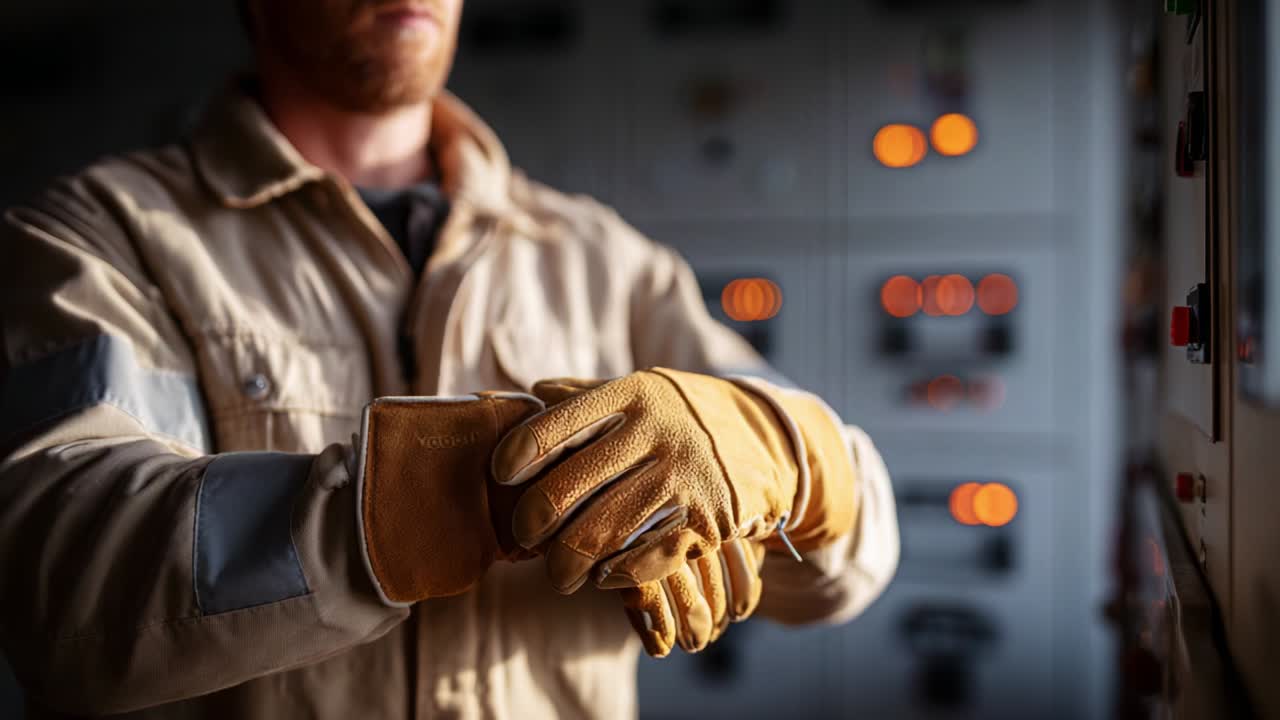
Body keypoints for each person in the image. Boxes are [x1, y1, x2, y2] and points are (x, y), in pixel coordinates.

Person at [0, 0, 899, 717]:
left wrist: (787, 452)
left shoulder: (609, 261)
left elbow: (846, 570)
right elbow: (61, 593)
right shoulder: (99, 238)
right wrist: (457, 493)